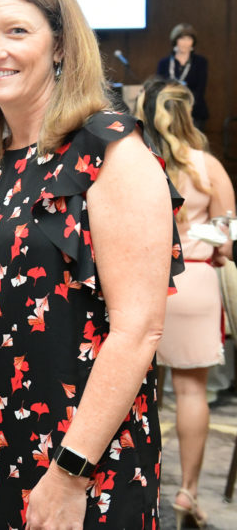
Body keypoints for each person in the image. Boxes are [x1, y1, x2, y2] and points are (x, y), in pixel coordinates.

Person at [0, 0, 183, 528]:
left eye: (17, 31)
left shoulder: (110, 152)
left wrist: (70, 473)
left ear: (59, 45)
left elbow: (138, 329)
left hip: (82, 464)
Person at [137, 79, 234, 528]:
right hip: (194, 281)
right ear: (187, 112)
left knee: (138, 392)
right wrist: (207, 245)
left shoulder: (135, 162)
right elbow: (228, 236)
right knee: (192, 390)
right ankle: (187, 493)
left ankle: (141, 486)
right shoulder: (208, 165)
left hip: (141, 282)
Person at [156, 23, 209, 129]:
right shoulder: (164, 63)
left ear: (193, 42)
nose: (185, 43)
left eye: (189, 39)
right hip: (169, 113)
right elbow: (159, 88)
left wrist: (185, 108)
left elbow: (200, 90)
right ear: (175, 41)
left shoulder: (200, 62)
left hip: (194, 113)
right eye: (182, 38)